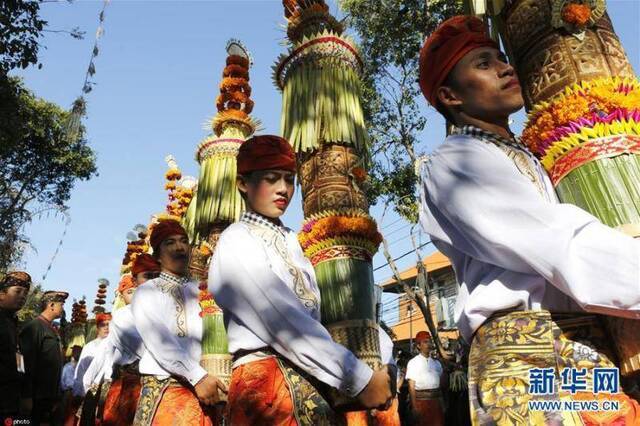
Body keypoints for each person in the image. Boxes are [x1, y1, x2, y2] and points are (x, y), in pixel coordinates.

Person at [417, 15, 640, 425]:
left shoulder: (527, 157)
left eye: (502, 58)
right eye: (483, 64)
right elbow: (558, 242)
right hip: (526, 354)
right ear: (450, 95)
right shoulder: (454, 163)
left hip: (584, 343)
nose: (504, 68)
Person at [209, 134, 393, 424]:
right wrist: (358, 378)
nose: (283, 189)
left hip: (307, 375)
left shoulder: (291, 241)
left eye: (289, 179)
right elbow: (282, 320)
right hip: (268, 386)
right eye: (271, 178)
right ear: (243, 183)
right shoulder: (236, 241)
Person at [131, 219, 226, 425]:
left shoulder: (203, 289)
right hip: (166, 389)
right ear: (157, 255)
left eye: (183, 241)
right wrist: (197, 376)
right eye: (170, 243)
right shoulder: (148, 291)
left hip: (208, 390)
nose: (179, 247)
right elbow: (159, 342)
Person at [20, 289, 68, 425]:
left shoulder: (51, 328)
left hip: (49, 396)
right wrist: (26, 395)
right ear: (51, 305)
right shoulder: (34, 327)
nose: (63, 308)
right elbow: (24, 364)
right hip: (36, 397)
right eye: (61, 304)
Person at [0, 271, 31, 418]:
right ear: (2, 294)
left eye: (25, 293)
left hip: (12, 399)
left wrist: (25, 392)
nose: (22, 296)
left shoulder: (14, 323)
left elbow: (19, 359)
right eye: (17, 291)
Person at [405, 332, 444, 426]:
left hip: (436, 403)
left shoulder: (437, 363)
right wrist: (414, 407)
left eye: (430, 341)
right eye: (425, 342)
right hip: (420, 403)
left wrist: (442, 402)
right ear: (418, 346)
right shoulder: (413, 363)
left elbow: (441, 386)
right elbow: (411, 386)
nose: (429, 344)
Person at [60, 345, 82, 425]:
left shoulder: (68, 366)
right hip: (73, 396)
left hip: (70, 396)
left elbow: (63, 384)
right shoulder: (70, 367)